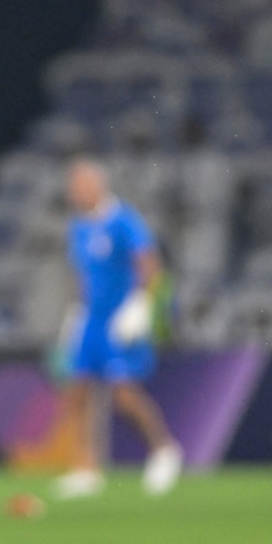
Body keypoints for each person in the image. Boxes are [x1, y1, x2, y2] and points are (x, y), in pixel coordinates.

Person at [55, 157, 184, 499]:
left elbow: (150, 264)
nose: (74, 192)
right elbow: (83, 276)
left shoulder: (124, 221)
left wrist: (141, 304)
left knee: (124, 395)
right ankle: (86, 468)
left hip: (121, 319)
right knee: (77, 391)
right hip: (92, 319)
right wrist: (77, 314)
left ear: (98, 186)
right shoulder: (79, 227)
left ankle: (164, 449)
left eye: (80, 185)